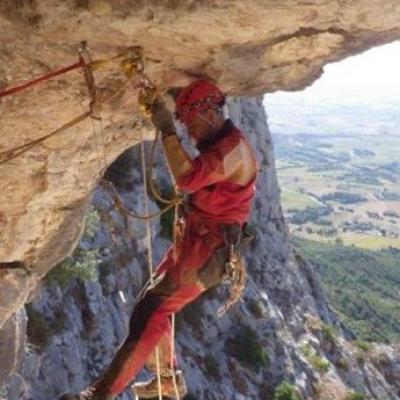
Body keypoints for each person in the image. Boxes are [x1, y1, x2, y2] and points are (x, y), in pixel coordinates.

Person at [60, 79, 258, 400]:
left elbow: (187, 178)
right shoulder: (220, 147)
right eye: (185, 127)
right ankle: (168, 380)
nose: (190, 134)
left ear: (210, 113)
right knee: (151, 306)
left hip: (208, 251)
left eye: (191, 124)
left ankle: (100, 394)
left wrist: (167, 130)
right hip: (196, 243)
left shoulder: (234, 151)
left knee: (152, 310)